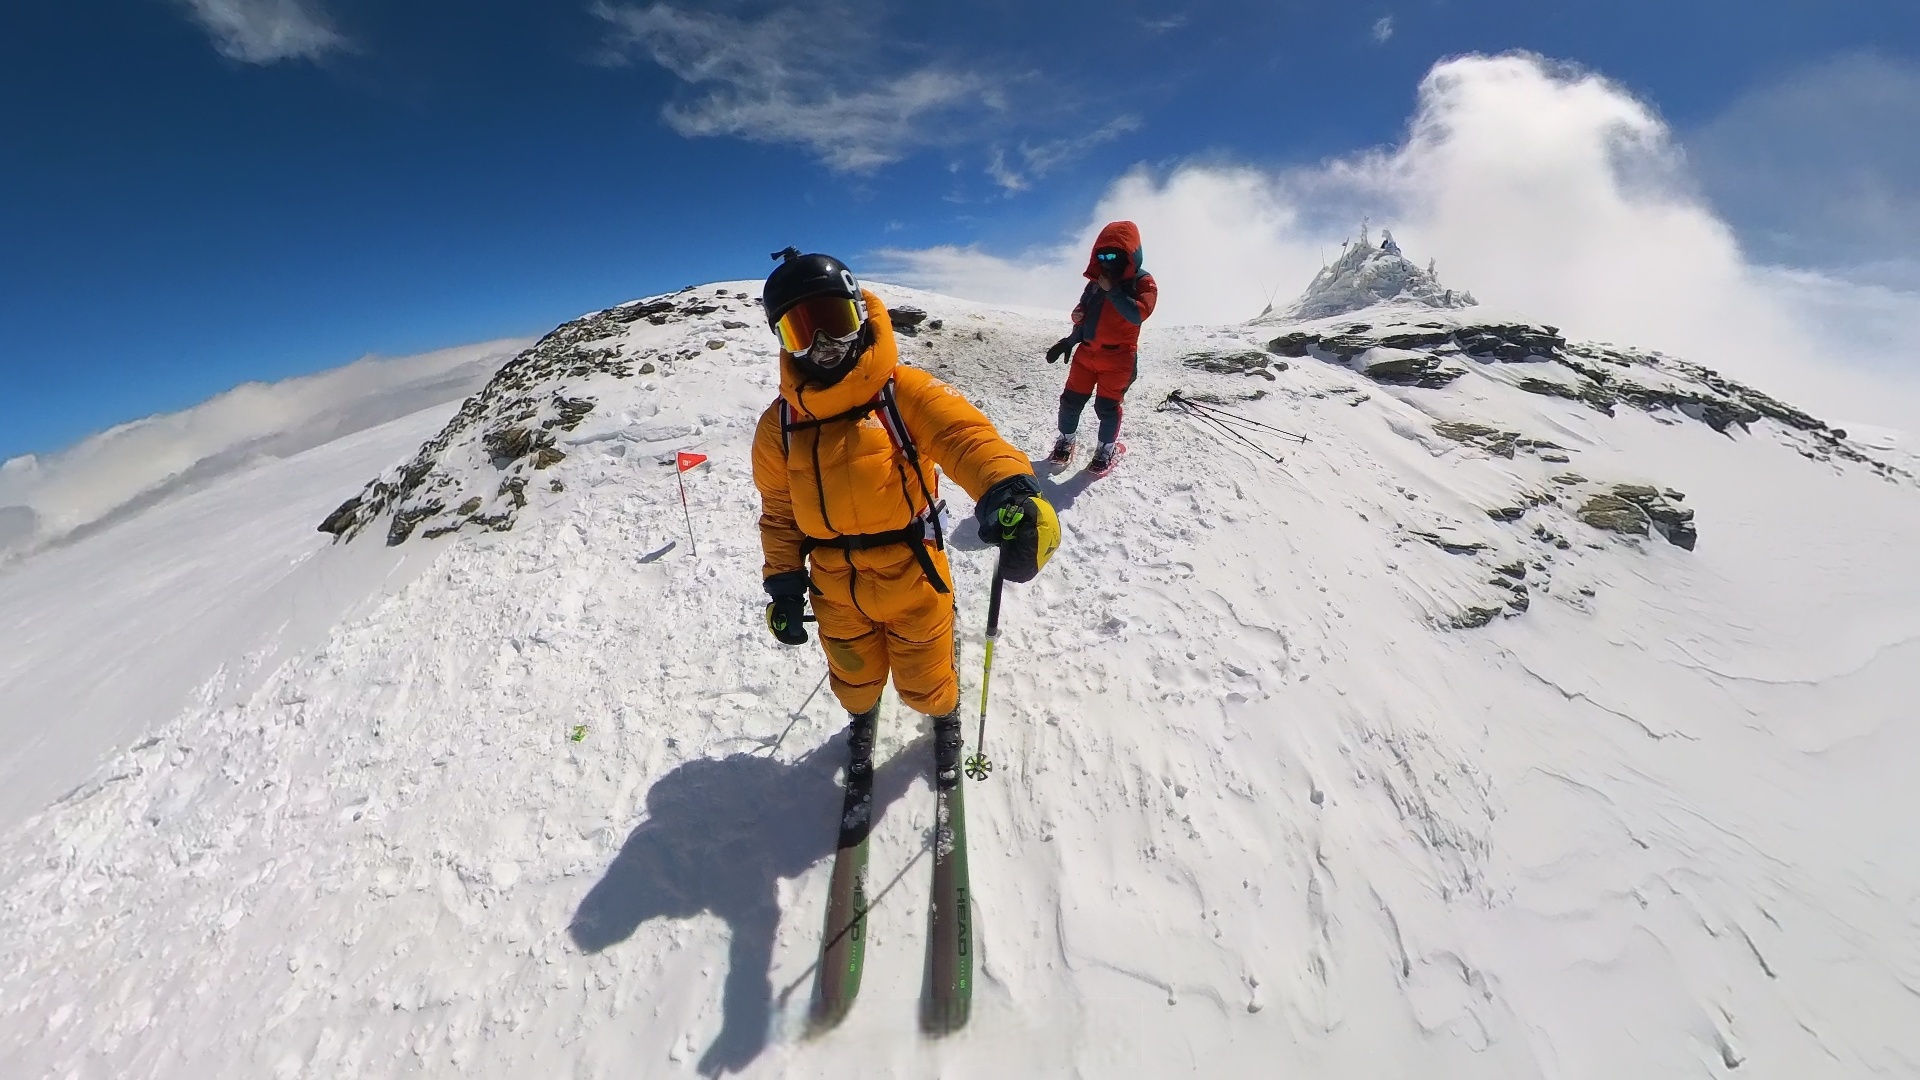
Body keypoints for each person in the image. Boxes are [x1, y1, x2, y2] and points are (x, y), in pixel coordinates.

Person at [753, 248, 1061, 786]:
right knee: (853, 672)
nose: (824, 346)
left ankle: (942, 716)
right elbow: (780, 514)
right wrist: (783, 585)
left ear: (860, 314)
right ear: (781, 341)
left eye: (834, 322)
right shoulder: (779, 426)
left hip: (912, 569)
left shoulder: (900, 391)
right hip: (833, 584)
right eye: (802, 331)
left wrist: (1008, 490)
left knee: (925, 670)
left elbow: (966, 438)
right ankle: (861, 717)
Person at [1045, 220, 1159, 473]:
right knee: (1070, 402)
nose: (1107, 261)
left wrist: (1114, 291)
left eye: (1113, 254)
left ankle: (1105, 450)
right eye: (1101, 254)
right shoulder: (1095, 282)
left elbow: (1138, 314)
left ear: (1129, 254)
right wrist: (1071, 338)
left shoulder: (1143, 281)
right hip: (1086, 354)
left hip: (1119, 358)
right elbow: (1085, 313)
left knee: (1106, 408)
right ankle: (1065, 442)